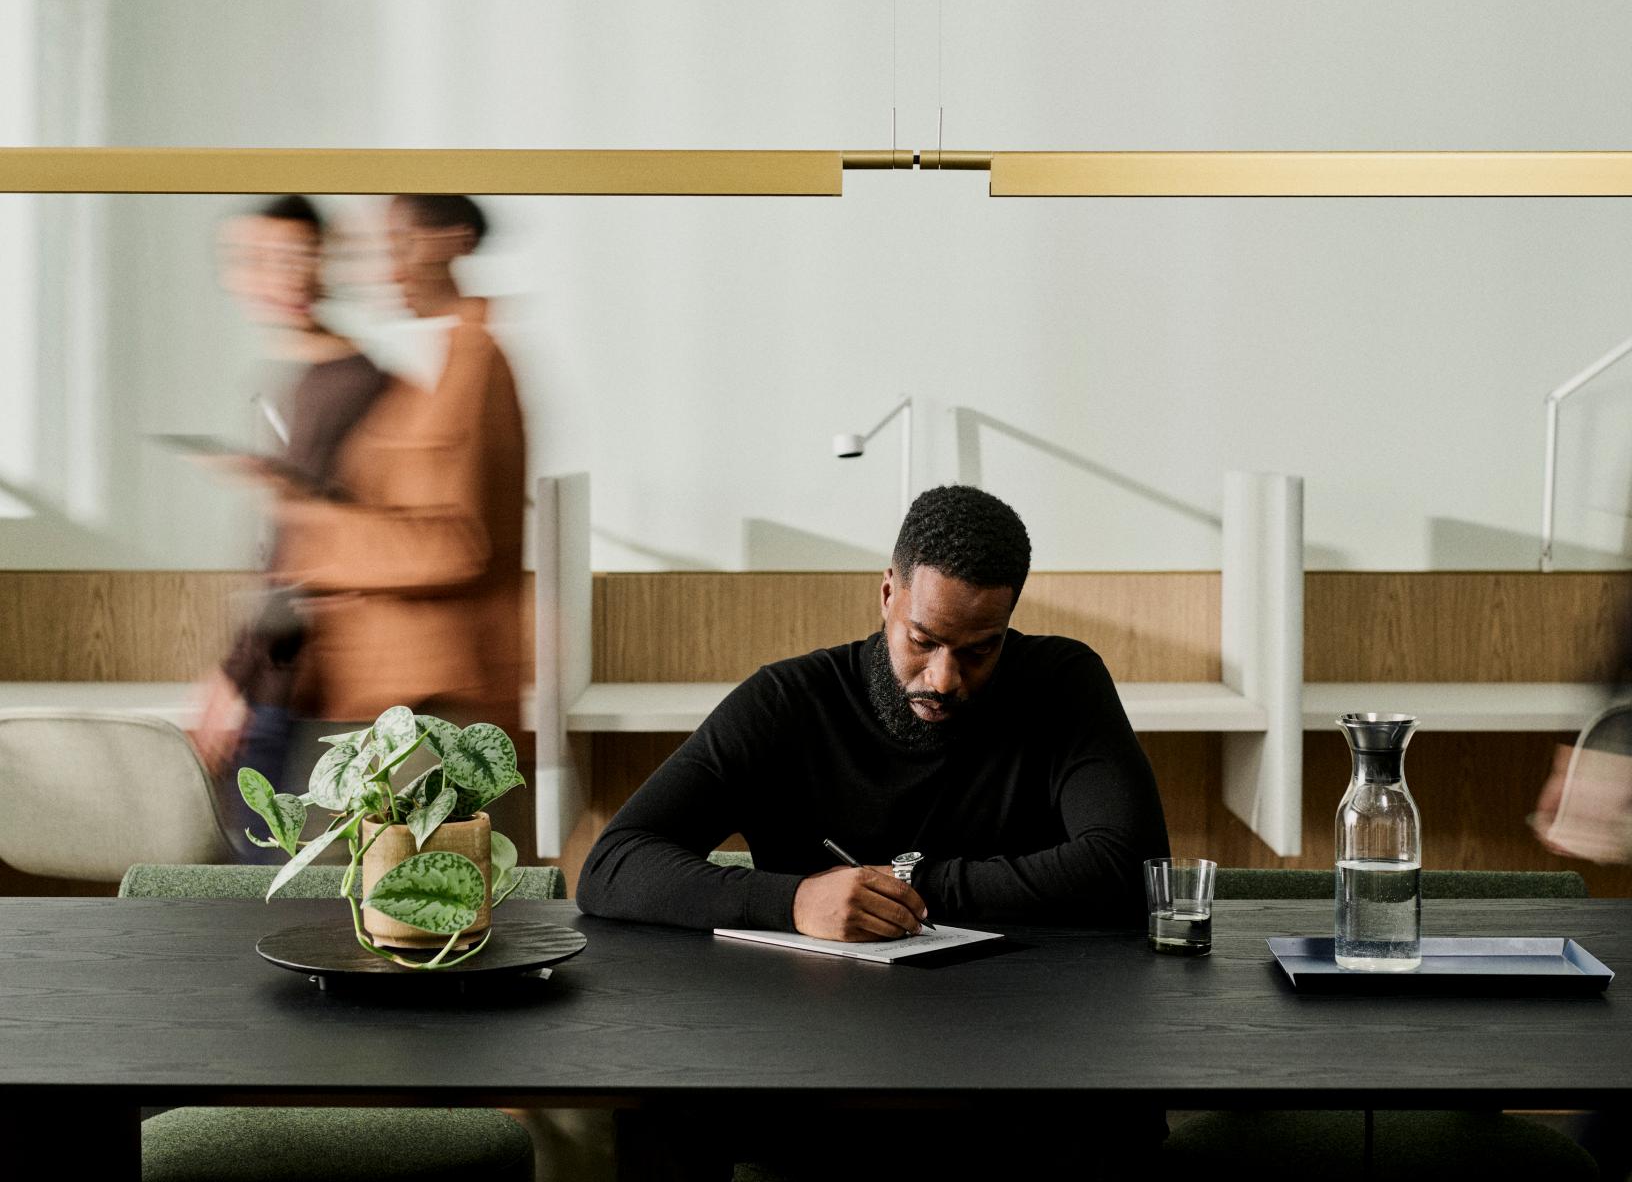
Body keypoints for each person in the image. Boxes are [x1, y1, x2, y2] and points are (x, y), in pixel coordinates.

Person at [578, 484, 1171, 935]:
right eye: (923, 640)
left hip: (1028, 1029)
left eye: (979, 649)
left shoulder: (1062, 683)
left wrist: (912, 882)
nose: (944, 679)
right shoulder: (788, 701)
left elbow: (1133, 872)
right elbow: (613, 864)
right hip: (824, 1036)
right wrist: (794, 901)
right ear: (888, 593)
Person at [262, 193, 530, 848]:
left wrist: (310, 529)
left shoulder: (474, 364)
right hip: (378, 699)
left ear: (451, 242)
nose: (380, 265)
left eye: (397, 241)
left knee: (386, 917)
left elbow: (454, 543)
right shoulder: (426, 368)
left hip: (432, 703)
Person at [190, 196, 390, 849]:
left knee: (273, 881)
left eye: (294, 257)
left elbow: (308, 551)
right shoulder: (295, 377)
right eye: (255, 260)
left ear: (324, 263)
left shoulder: (346, 384)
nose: (278, 276)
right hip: (285, 678)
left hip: (308, 686)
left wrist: (236, 677)